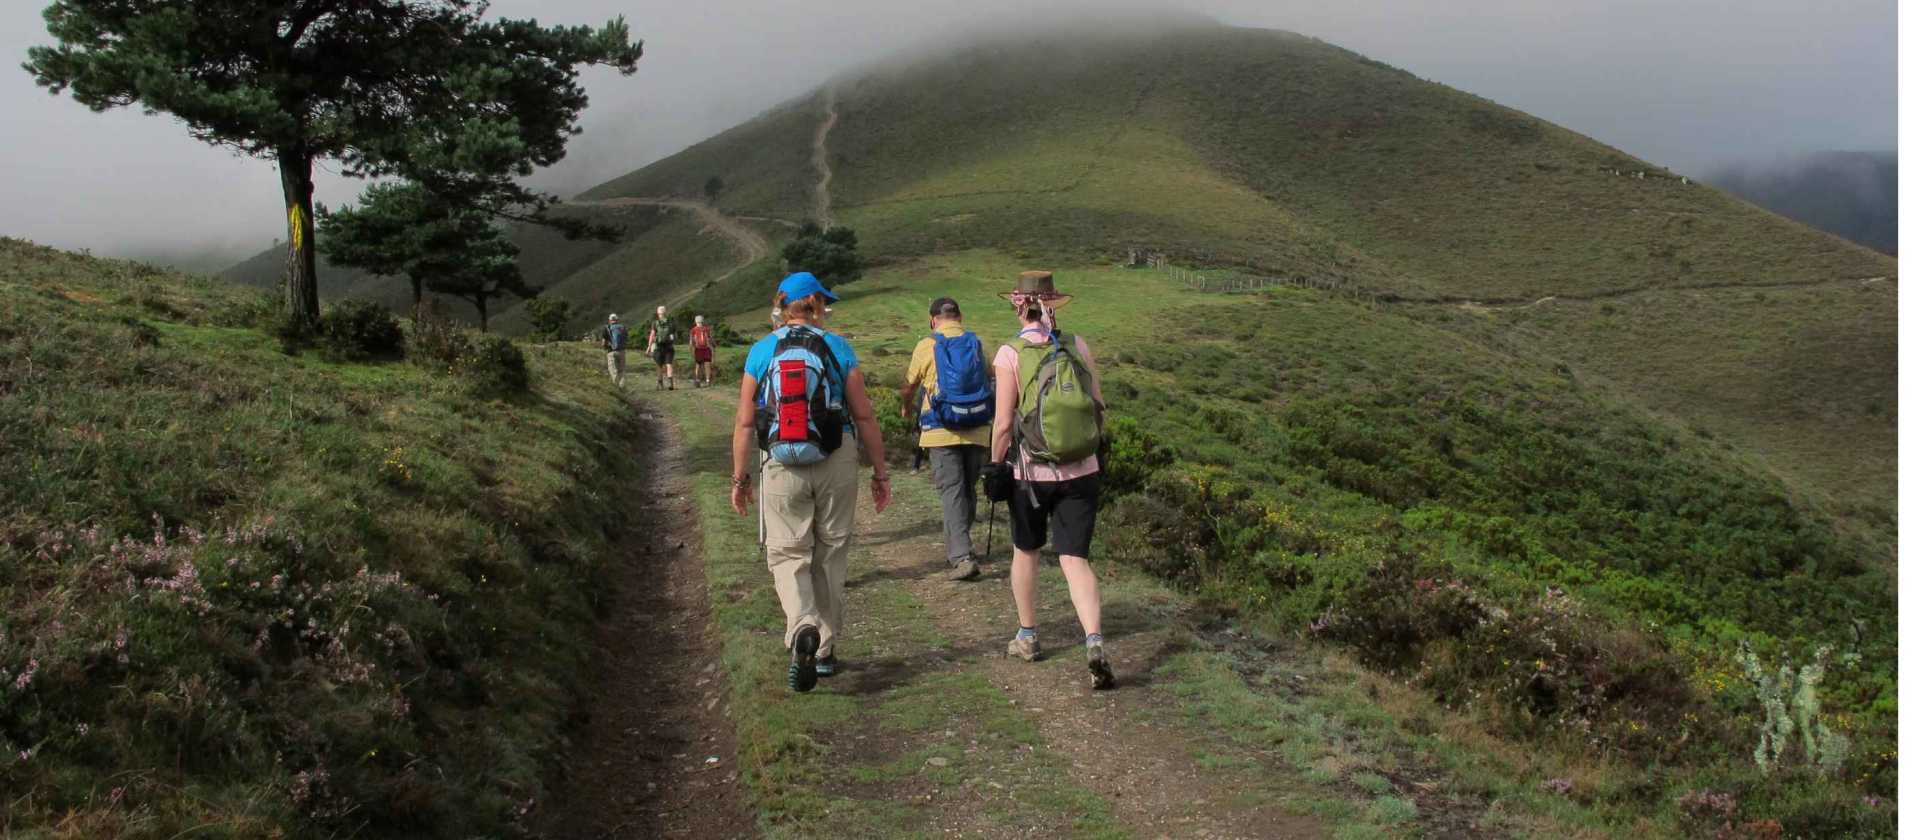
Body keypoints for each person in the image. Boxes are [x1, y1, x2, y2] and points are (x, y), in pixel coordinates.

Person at [730, 272, 891, 692]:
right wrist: (880, 471)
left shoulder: (762, 350)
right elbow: (865, 415)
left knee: (787, 552)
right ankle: (823, 651)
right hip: (836, 455)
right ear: (815, 304)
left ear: (783, 307)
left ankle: (801, 623)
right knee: (831, 550)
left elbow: (746, 422)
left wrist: (739, 478)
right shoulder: (838, 348)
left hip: (780, 461)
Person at [985, 270, 1114, 690]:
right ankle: (1094, 641)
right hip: (1083, 468)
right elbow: (1097, 405)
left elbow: (1004, 423)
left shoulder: (1009, 354)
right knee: (1075, 557)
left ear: (1018, 305)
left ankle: (1028, 636)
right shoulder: (1077, 346)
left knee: (1026, 550)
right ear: (1054, 305)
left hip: (1031, 474)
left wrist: (994, 465)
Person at [900, 297, 994, 581]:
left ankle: (961, 556)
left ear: (933, 319)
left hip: (940, 429)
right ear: (960, 316)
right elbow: (991, 378)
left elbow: (910, 384)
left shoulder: (926, 345)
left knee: (952, 491)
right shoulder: (977, 343)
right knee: (967, 489)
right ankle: (962, 547)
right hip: (977, 426)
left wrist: (906, 406)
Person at [647, 305, 677, 390]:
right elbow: (674, 336)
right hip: (669, 347)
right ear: (665, 312)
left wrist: (649, 347)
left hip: (658, 347)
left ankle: (660, 384)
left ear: (658, 313)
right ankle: (671, 384)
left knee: (659, 366)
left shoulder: (655, 323)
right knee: (669, 365)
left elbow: (652, 335)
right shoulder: (671, 323)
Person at [599, 313, 628, 386]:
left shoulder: (606, 328)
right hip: (621, 351)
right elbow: (626, 339)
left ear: (609, 320)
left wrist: (605, 347)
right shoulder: (622, 327)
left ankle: (616, 387)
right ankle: (622, 386)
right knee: (621, 370)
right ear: (617, 320)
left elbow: (603, 342)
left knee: (613, 370)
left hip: (611, 352)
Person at [690, 315, 716, 387]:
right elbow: (710, 339)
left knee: (701, 365)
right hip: (703, 349)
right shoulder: (704, 329)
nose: (700, 323)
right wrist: (713, 346)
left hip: (701, 349)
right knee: (704, 365)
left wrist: (691, 350)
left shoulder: (695, 330)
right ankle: (704, 381)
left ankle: (700, 381)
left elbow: (691, 341)